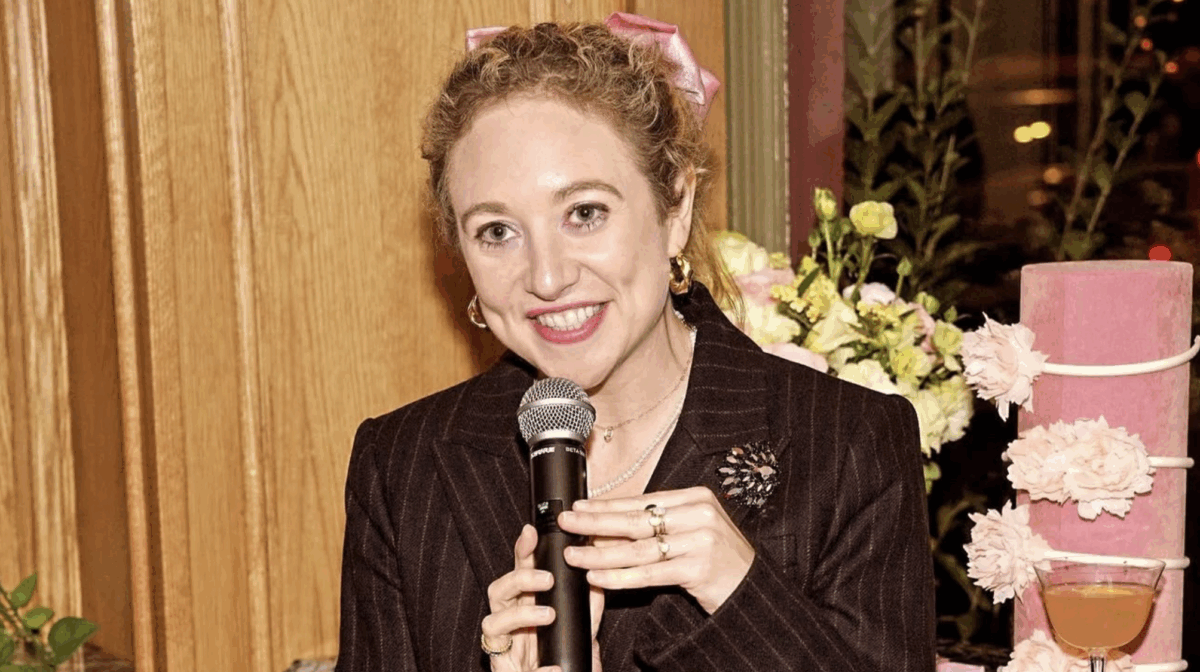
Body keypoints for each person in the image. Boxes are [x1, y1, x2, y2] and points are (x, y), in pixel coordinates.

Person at [335, 13, 934, 672]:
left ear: (674, 208)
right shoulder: (403, 463)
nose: (547, 276)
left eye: (585, 214)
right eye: (498, 231)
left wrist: (742, 592)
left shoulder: (847, 444)